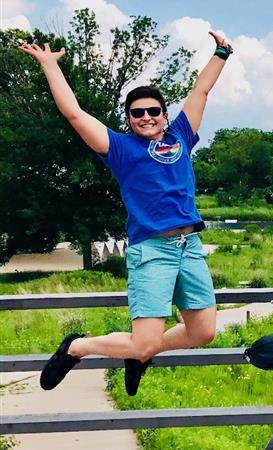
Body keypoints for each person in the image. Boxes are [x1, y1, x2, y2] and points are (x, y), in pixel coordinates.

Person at [24, 31, 233, 396]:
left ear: (165, 116)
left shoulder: (182, 135)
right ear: (129, 120)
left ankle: (139, 356)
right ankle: (77, 347)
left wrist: (221, 53)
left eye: (154, 111)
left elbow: (200, 91)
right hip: (152, 250)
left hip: (190, 246)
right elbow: (74, 113)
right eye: (138, 113)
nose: (147, 117)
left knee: (203, 332)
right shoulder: (120, 148)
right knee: (142, 341)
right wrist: (49, 66)